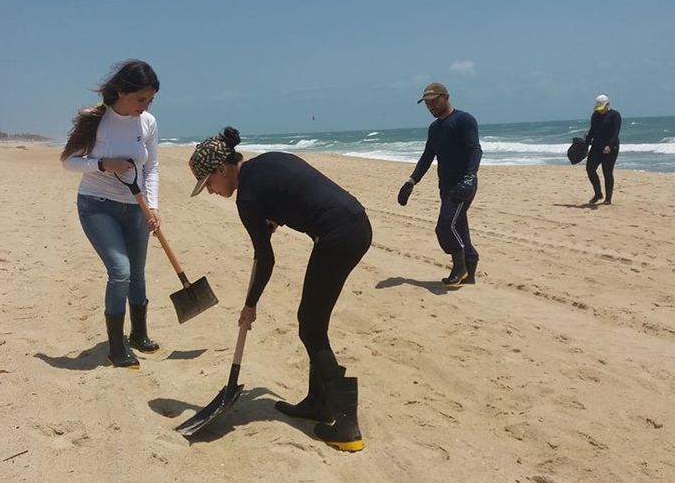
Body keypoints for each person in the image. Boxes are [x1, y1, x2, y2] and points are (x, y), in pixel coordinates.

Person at [188, 127, 372, 452]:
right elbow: (293, 195)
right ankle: (319, 403)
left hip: (337, 236)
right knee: (314, 323)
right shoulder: (265, 165)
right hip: (356, 224)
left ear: (221, 170)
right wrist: (274, 217)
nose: (211, 192)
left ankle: (346, 425)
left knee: (310, 327)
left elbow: (265, 257)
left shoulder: (247, 197)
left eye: (208, 185)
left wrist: (250, 304)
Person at [60, 60, 161, 369]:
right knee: (121, 271)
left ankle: (138, 334)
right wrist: (103, 164)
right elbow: (68, 161)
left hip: (136, 206)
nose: (144, 107)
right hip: (96, 204)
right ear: (121, 91)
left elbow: (152, 166)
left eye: (150, 100)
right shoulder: (94, 120)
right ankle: (116, 347)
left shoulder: (148, 123)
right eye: (139, 99)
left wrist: (153, 206)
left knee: (138, 274)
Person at [397, 82, 482, 287]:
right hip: (445, 185)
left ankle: (459, 267)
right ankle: (469, 271)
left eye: (434, 102)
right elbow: (427, 157)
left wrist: (470, 177)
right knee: (458, 226)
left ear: (446, 97)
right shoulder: (434, 129)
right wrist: (411, 181)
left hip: (463, 185)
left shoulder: (464, 120)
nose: (431, 107)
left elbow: (475, 150)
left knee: (445, 227)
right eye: (427, 104)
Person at [584, 94, 621, 205]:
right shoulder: (595, 115)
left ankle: (608, 199)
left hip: (611, 148)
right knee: (590, 169)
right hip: (596, 147)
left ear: (607, 104)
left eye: (602, 108)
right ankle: (598, 194)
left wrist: (609, 145)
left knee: (607, 172)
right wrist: (586, 144)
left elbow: (616, 132)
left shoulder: (615, 115)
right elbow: (592, 131)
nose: (600, 111)